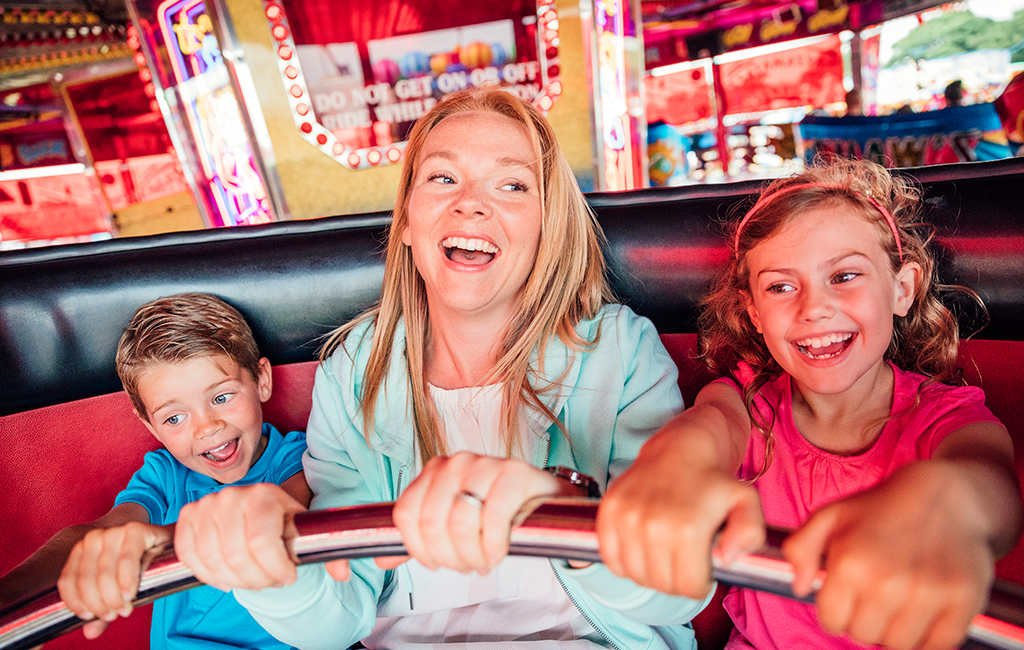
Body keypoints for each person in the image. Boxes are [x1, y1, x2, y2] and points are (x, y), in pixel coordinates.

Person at [169, 87, 713, 649]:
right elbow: (335, 620)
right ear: (406, 221)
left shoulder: (619, 348)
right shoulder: (354, 371)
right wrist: (271, 574)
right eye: (443, 178)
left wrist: (569, 519)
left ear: (547, 228)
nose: (471, 203)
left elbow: (677, 590)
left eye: (512, 184)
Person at [597, 158, 1023, 650]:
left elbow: (986, 480)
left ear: (901, 290)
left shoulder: (945, 416)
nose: (813, 308)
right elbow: (708, 426)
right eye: (781, 287)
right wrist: (674, 463)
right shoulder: (746, 403)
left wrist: (949, 504)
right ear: (754, 313)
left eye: (844, 276)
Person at [0, 292, 311, 649]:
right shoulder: (165, 475)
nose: (206, 427)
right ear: (150, 426)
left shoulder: (296, 456)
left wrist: (164, 542)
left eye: (222, 398)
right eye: (175, 417)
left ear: (262, 380)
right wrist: (10, 596)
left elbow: (283, 506)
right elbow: (97, 532)